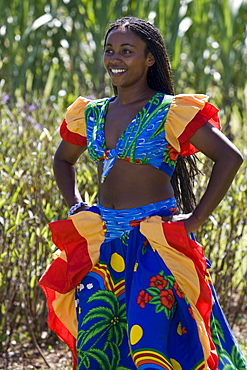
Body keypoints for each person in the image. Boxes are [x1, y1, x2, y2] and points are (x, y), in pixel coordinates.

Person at [39, 17, 247, 370]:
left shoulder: (171, 111)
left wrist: (196, 218)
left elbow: (229, 158)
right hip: (104, 247)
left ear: (150, 59)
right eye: (109, 50)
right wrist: (75, 203)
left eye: (127, 51)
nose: (115, 58)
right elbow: (63, 160)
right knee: (100, 344)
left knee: (155, 346)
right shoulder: (91, 114)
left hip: (155, 243)